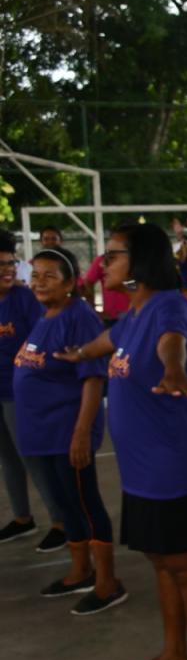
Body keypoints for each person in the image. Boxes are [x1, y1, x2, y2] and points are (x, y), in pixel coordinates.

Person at [58, 222, 187, 660]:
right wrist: (78, 353)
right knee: (161, 562)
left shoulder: (169, 305)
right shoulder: (135, 311)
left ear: (142, 261)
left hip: (172, 466)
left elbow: (172, 341)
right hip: (141, 470)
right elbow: (111, 341)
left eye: (113, 255)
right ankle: (173, 655)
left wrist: (173, 368)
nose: (103, 263)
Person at [15, 247, 125, 613]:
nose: (39, 282)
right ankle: (81, 571)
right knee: (65, 504)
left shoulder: (80, 317)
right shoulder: (46, 315)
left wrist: (81, 432)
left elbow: (92, 378)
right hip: (40, 433)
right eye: (35, 275)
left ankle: (107, 582)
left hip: (65, 431)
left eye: (49, 276)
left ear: (70, 283)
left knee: (84, 502)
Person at [0, 231, 66, 549]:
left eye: (10, 263)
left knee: (32, 458)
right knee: (7, 458)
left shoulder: (25, 299)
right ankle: (22, 518)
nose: (7, 270)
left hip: (19, 393)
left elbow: (42, 342)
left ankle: (61, 522)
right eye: (0, 265)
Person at [79, 243, 131, 326]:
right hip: (111, 317)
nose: (102, 264)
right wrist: (93, 310)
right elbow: (87, 283)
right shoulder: (101, 261)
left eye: (112, 258)